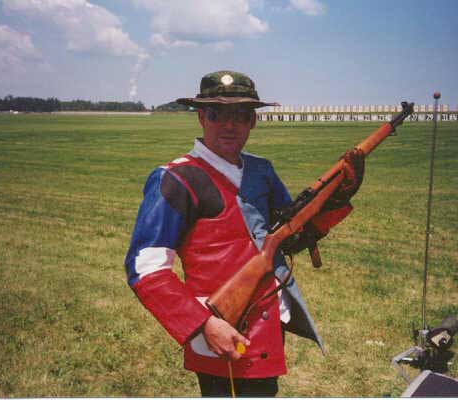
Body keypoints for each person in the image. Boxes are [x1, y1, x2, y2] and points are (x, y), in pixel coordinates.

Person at [124, 70, 365, 397]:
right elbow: (146, 270)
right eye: (216, 114)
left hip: (269, 324)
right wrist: (204, 324)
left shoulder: (261, 170)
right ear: (200, 117)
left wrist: (337, 198)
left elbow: (290, 237)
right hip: (220, 329)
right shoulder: (176, 178)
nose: (229, 124)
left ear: (253, 121)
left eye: (241, 115)